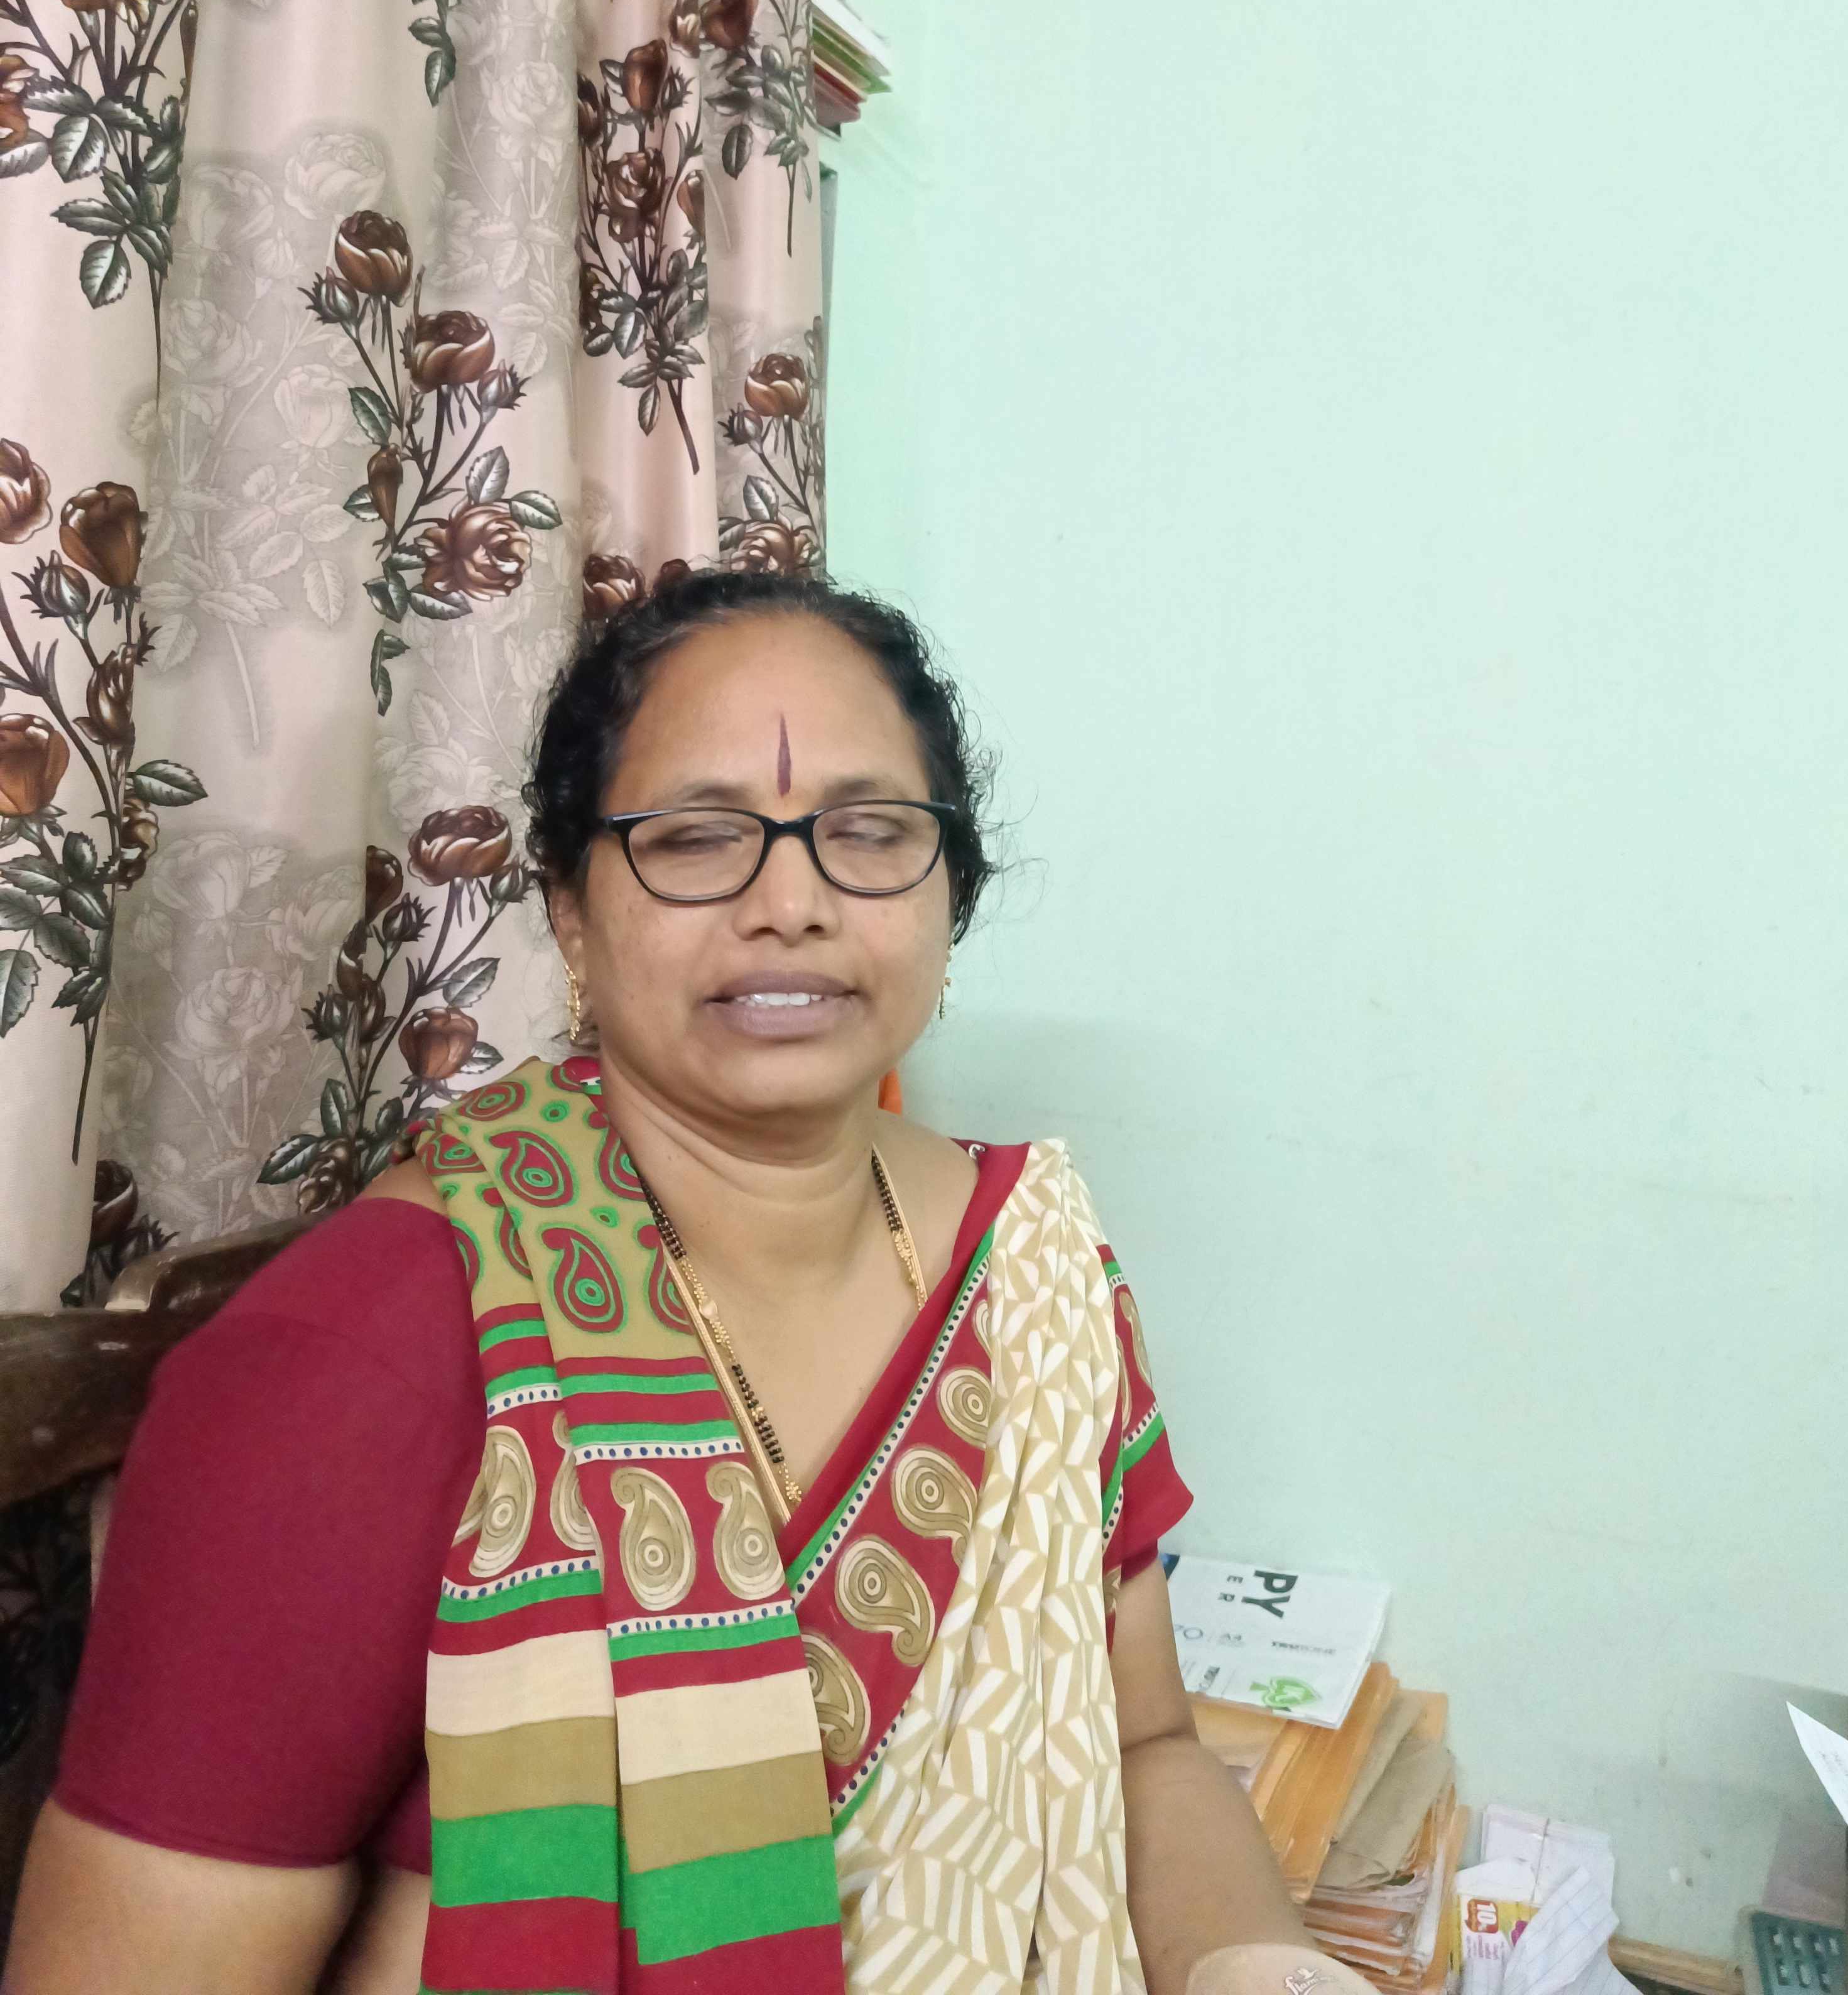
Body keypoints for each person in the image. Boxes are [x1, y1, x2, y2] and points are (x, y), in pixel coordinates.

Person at [6, 572, 1373, 1995]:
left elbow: (1146, 1746)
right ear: (571, 910)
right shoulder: (356, 1356)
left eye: (869, 832)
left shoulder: (1033, 1267)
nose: (792, 902)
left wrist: (1259, 1965)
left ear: (950, 893)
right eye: (698, 838)